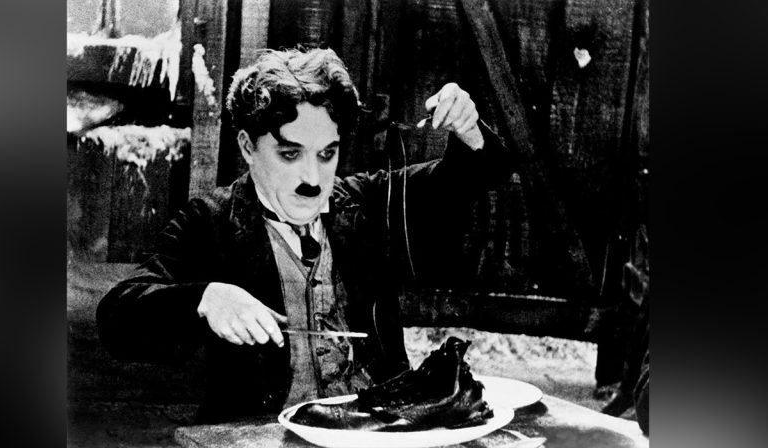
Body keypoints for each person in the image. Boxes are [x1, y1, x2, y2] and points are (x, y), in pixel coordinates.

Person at [97, 47, 515, 423]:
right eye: (290, 153)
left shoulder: (365, 202)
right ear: (247, 147)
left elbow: (475, 174)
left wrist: (467, 126)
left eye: (327, 154)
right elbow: (117, 317)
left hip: (379, 430)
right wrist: (206, 298)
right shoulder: (210, 222)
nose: (313, 179)